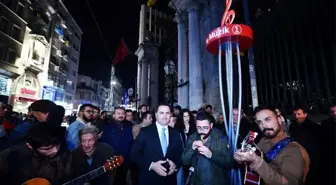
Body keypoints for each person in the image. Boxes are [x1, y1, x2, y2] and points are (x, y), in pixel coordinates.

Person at [234, 106, 309, 185]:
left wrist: (256, 161)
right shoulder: (263, 140)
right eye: (259, 122)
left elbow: (289, 183)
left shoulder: (293, 149)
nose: (264, 125)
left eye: (267, 119)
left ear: (279, 120)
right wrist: (242, 158)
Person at [0, 124, 72, 185]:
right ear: (30, 146)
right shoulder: (10, 156)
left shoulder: (64, 154)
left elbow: (66, 178)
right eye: (47, 149)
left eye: (58, 145)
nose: (55, 151)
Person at [130, 103, 184, 185]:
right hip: (149, 179)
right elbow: (134, 154)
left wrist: (175, 164)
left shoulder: (176, 133)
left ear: (170, 115)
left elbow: (181, 154)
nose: (164, 116)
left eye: (167, 113)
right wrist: (151, 165)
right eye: (161, 113)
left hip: (169, 180)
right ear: (156, 115)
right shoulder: (145, 132)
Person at [181, 111, 234, 185]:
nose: (202, 131)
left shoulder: (221, 138)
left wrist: (211, 155)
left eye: (205, 128)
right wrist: (192, 148)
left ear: (211, 125)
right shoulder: (192, 137)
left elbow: (230, 162)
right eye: (199, 128)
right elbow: (184, 161)